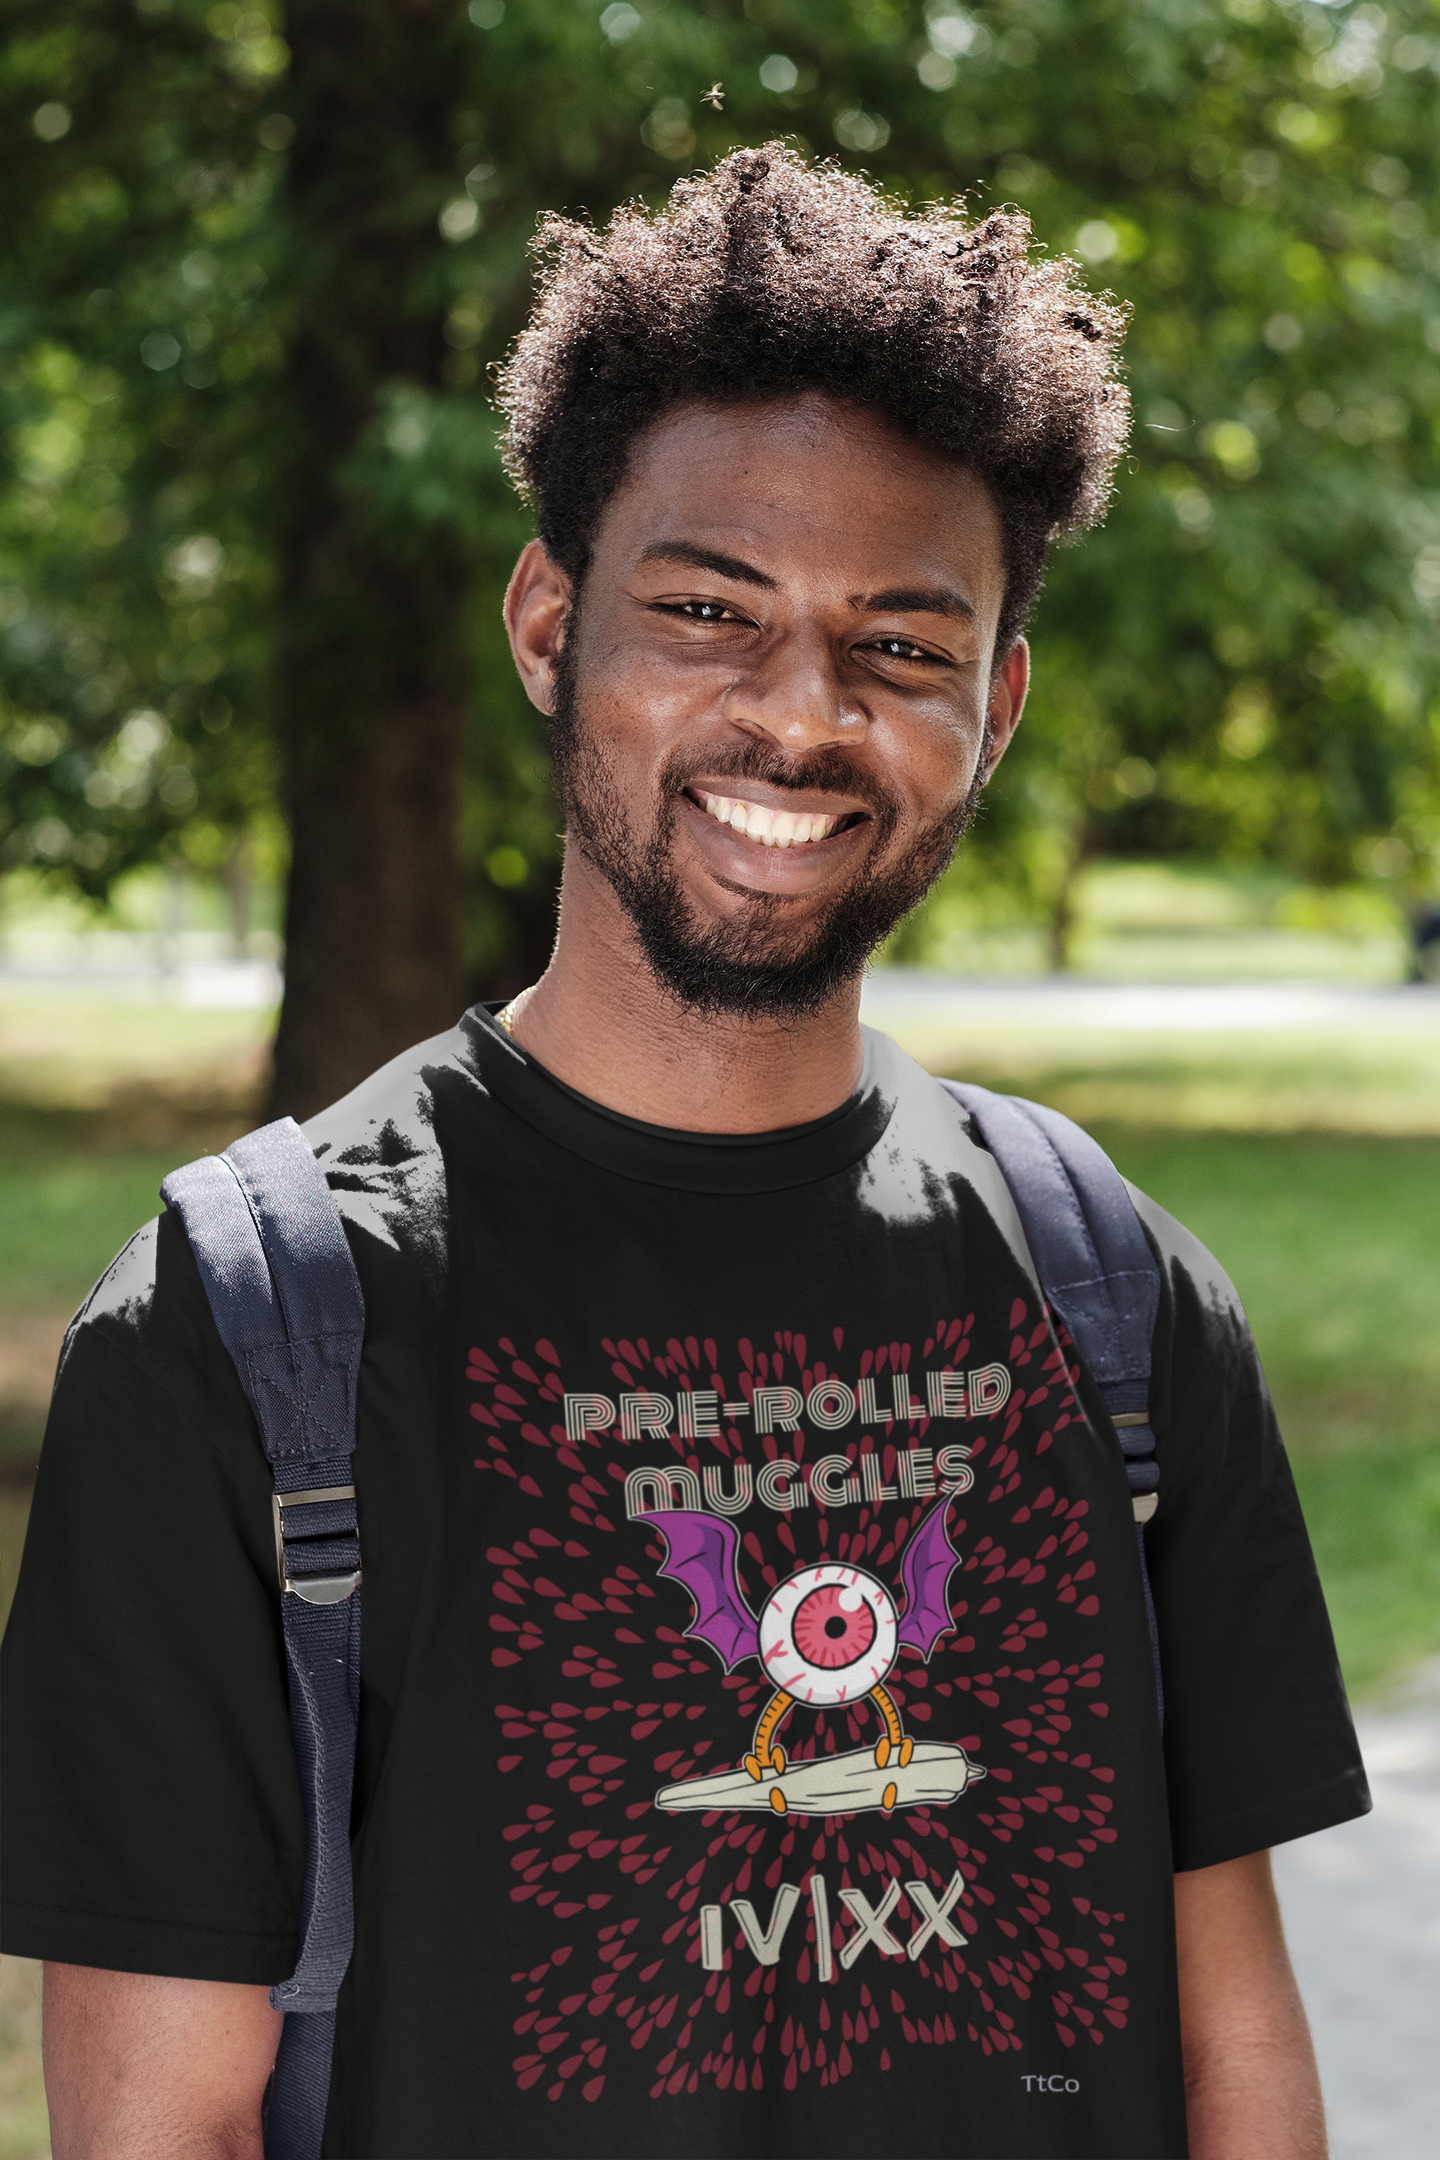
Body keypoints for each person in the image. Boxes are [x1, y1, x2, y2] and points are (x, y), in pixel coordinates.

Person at [2, 146, 1367, 2160]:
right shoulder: (248, 1333)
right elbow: (159, 2134)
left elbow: (1238, 2073)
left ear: (994, 710)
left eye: (902, 647)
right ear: (551, 623)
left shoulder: (1115, 1299)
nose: (800, 716)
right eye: (709, 610)